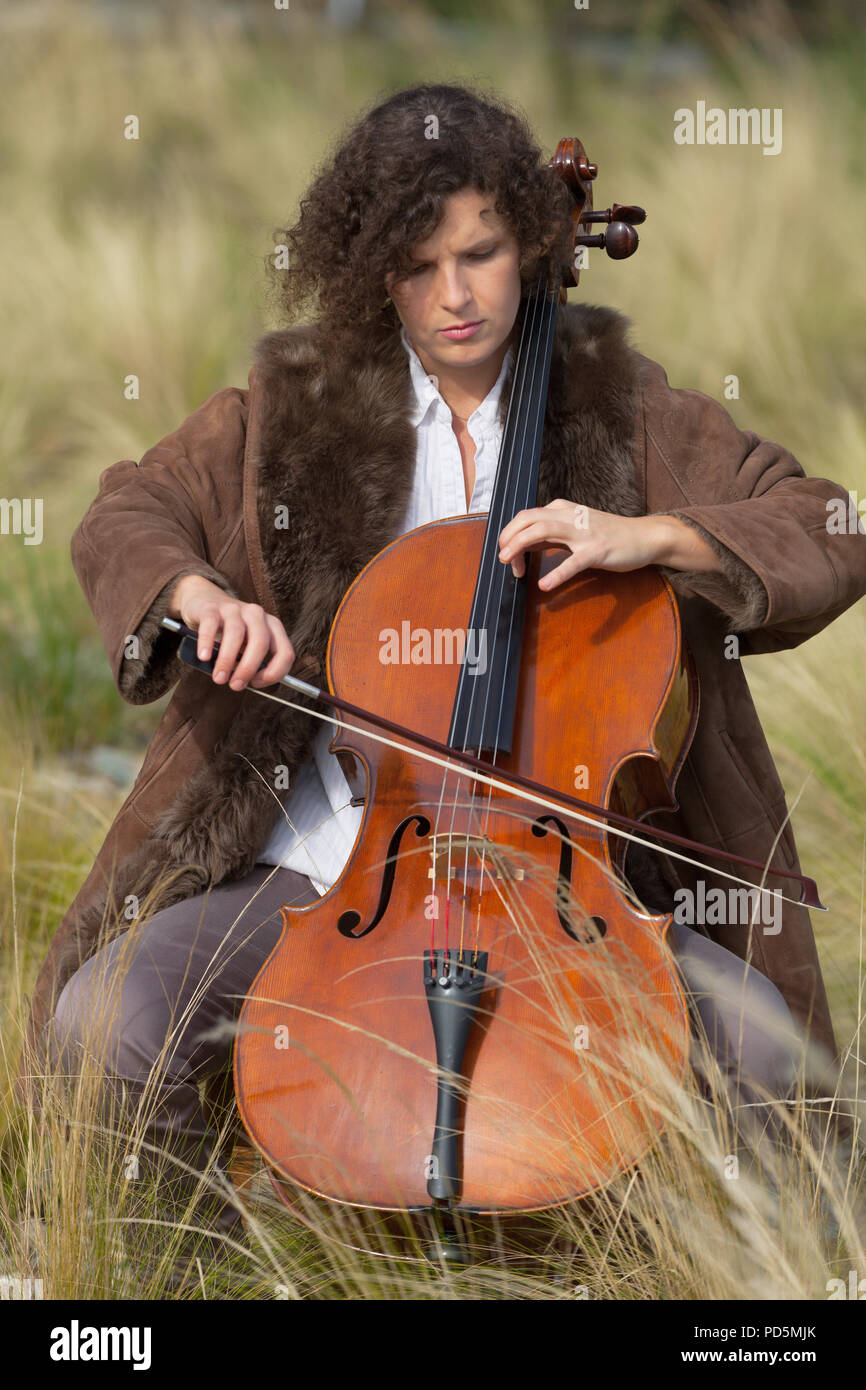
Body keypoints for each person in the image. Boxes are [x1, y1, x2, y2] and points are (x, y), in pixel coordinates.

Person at [22, 83, 866, 1273]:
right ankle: (200, 1274)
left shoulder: (621, 409)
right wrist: (194, 595)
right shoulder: (293, 405)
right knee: (103, 1021)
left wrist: (655, 539)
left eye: (480, 254)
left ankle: (742, 1308)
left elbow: (830, 521)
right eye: (420, 267)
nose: (457, 296)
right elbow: (131, 509)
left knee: (772, 1061)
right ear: (373, 271)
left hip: (571, 894)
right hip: (329, 872)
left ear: (531, 242)